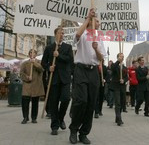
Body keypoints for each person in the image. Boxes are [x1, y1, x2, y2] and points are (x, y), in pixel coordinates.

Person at [69, 9, 106, 144]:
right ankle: (74, 129)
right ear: (91, 21)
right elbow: (77, 36)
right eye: (97, 20)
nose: (99, 23)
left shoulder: (99, 37)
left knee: (91, 104)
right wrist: (87, 19)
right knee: (81, 101)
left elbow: (101, 58)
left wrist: (96, 49)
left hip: (93, 72)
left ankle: (84, 133)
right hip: (80, 69)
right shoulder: (83, 32)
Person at [42, 27, 73, 136]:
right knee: (53, 103)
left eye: (63, 33)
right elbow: (43, 63)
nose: (62, 35)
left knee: (66, 98)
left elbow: (70, 60)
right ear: (55, 34)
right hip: (53, 79)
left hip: (65, 78)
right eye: (60, 33)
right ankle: (54, 126)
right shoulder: (49, 47)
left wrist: (59, 55)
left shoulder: (68, 47)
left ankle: (60, 118)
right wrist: (48, 67)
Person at [20, 49, 44, 124]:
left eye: (33, 53)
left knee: (35, 103)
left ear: (36, 54)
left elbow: (41, 69)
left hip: (36, 85)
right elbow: (21, 73)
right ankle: (25, 117)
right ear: (29, 54)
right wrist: (27, 77)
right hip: (27, 85)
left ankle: (34, 118)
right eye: (30, 52)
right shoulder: (24, 63)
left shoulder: (39, 62)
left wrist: (34, 63)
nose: (32, 54)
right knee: (25, 102)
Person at [111, 53, 128, 126]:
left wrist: (124, 80)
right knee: (117, 102)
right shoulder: (114, 65)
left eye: (123, 57)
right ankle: (119, 119)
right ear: (118, 57)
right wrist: (118, 61)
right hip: (116, 86)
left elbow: (127, 77)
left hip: (122, 87)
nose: (122, 58)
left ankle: (117, 116)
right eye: (121, 56)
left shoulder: (124, 67)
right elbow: (113, 68)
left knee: (121, 102)